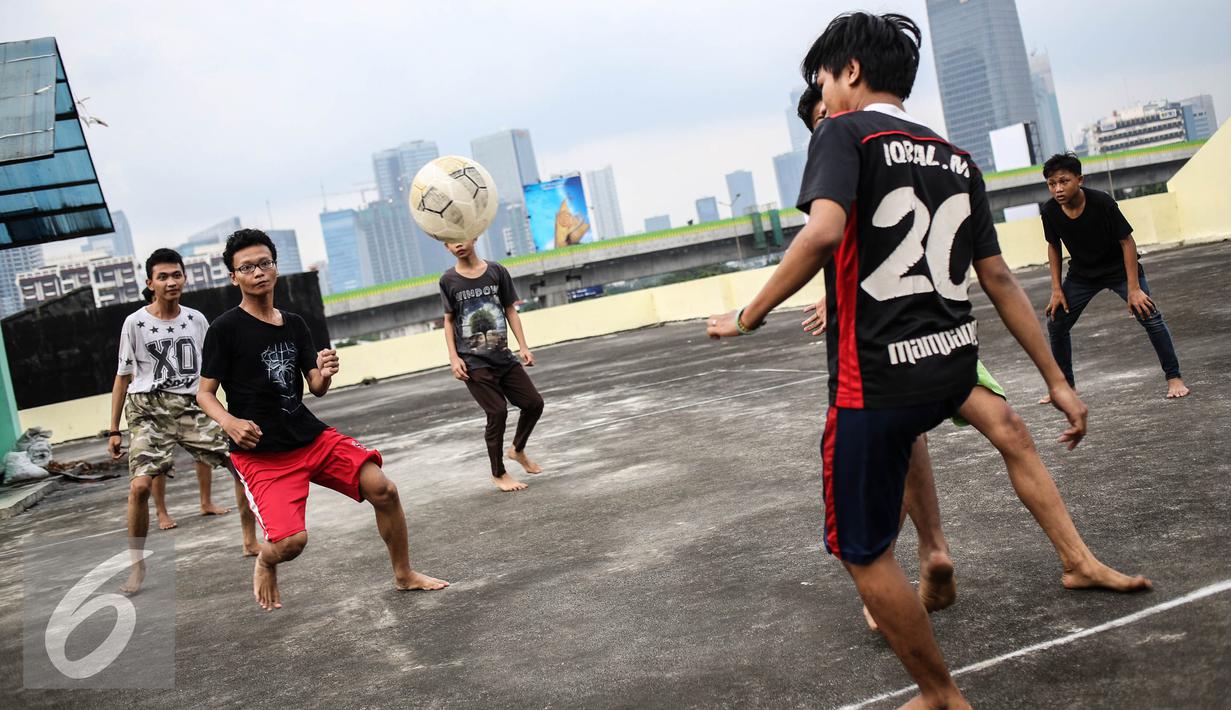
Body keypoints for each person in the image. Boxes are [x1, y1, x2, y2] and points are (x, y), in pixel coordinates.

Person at [706, 13, 1089, 708]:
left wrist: (745, 316)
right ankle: (954, 552)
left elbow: (822, 234)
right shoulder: (954, 156)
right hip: (950, 367)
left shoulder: (840, 132)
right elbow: (999, 279)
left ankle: (940, 694)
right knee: (979, 440)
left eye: (823, 77)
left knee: (861, 551)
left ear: (849, 71)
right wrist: (1057, 381)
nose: (823, 93)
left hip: (875, 383)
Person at [794, 92, 1150, 630]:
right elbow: (835, 241)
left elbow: (973, 262)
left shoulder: (901, 151)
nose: (836, 118)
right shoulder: (840, 152)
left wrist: (1055, 378)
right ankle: (904, 572)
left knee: (1010, 428)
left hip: (940, 336)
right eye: (823, 118)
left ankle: (1076, 561)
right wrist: (815, 299)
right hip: (881, 346)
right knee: (897, 444)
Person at [197, 229, 447, 610]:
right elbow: (204, 393)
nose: (258, 272)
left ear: (276, 267)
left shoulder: (295, 323)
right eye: (247, 267)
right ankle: (266, 559)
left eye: (265, 263)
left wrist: (325, 372)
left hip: (308, 435)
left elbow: (315, 387)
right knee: (290, 544)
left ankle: (404, 574)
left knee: (384, 488)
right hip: (263, 454)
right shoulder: (225, 329)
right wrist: (229, 422)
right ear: (234, 277)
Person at [110, 248, 258, 594]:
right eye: (163, 276)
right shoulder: (135, 323)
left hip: (192, 406)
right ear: (150, 283)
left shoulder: (196, 320)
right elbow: (122, 377)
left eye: (176, 274)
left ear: (184, 278)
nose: (171, 281)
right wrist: (115, 429)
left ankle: (250, 540)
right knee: (140, 486)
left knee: (242, 461)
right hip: (148, 408)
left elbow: (214, 370)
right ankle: (137, 568)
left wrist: (232, 413)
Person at [1039, 152, 1189, 401]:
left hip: (1119, 270)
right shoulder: (1050, 211)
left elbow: (1127, 242)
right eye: (1052, 184)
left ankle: (1174, 378)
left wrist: (1133, 289)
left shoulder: (1102, 203)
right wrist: (1056, 289)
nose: (1058, 189)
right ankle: (1065, 388)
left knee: (1149, 316)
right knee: (1056, 322)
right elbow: (1053, 247)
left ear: (1080, 179)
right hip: (1082, 275)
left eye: (1064, 181)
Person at [439, 237, 545, 492]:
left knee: (533, 404)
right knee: (497, 412)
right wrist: (454, 358)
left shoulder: (497, 271)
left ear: (474, 237)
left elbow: (510, 310)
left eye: (462, 238)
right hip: (474, 362)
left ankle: (517, 450)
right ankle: (498, 473)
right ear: (447, 247)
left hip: (503, 356)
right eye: (451, 242)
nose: (458, 245)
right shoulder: (448, 280)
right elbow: (449, 321)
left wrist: (523, 346)